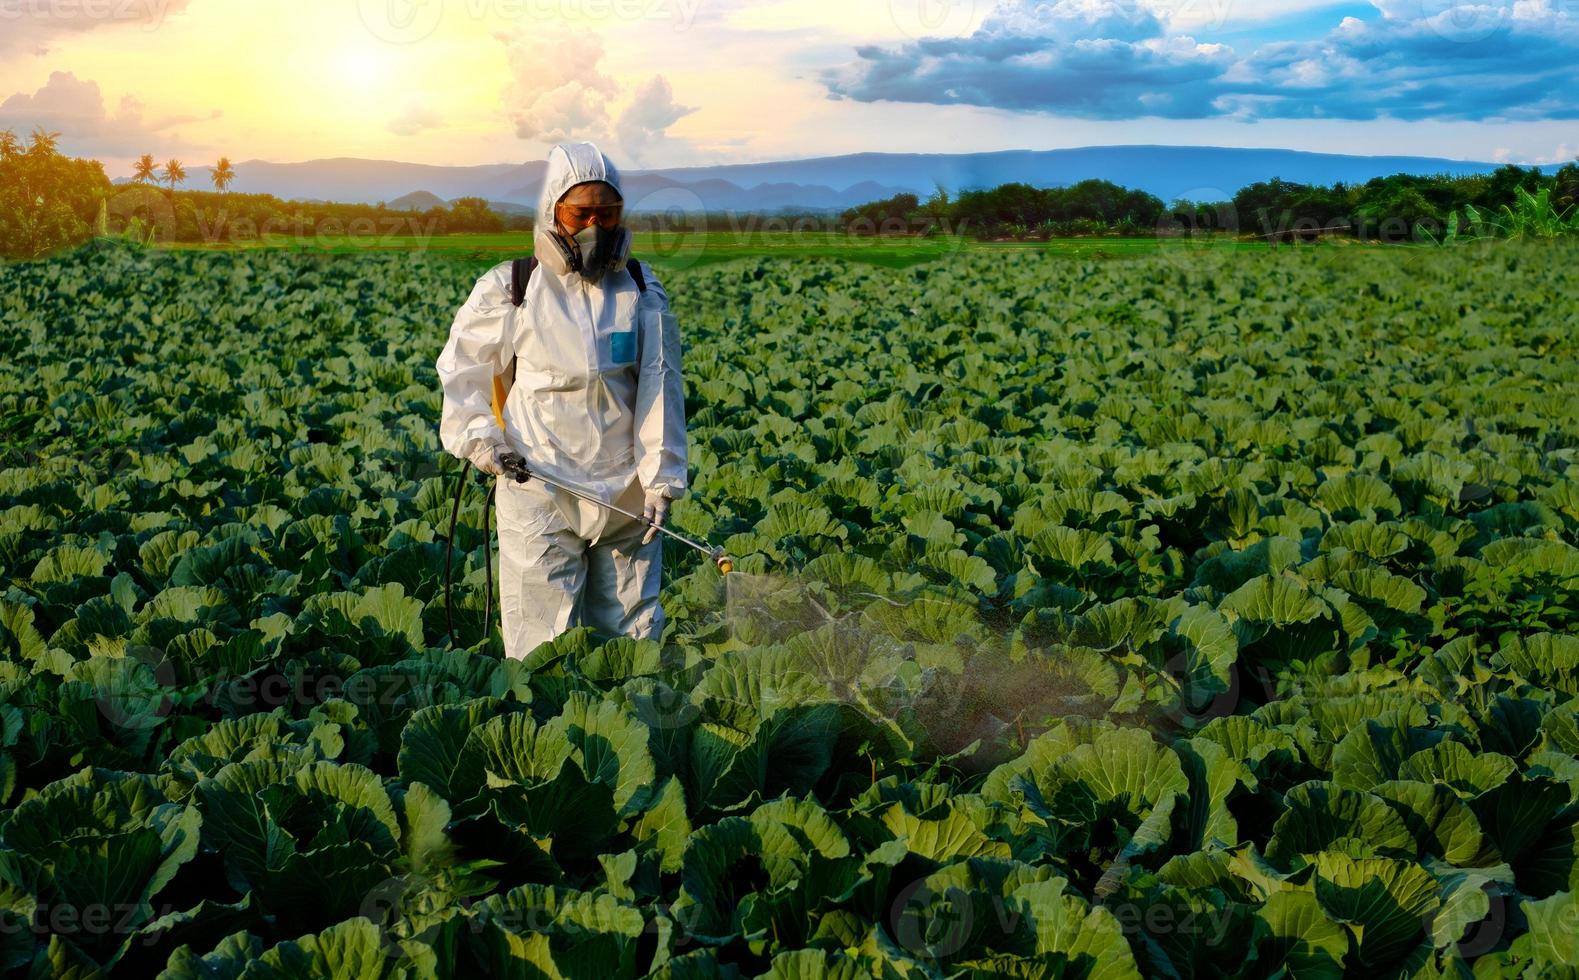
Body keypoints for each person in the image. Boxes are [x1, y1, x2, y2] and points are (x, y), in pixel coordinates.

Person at [435, 141, 687, 660]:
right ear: (555, 211)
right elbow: (463, 372)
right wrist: (483, 442)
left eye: (608, 212)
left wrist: (661, 478)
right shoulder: (513, 287)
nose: (595, 224)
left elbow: (660, 383)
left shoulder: (639, 287)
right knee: (539, 641)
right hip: (540, 484)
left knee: (631, 640)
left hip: (625, 493)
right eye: (581, 213)